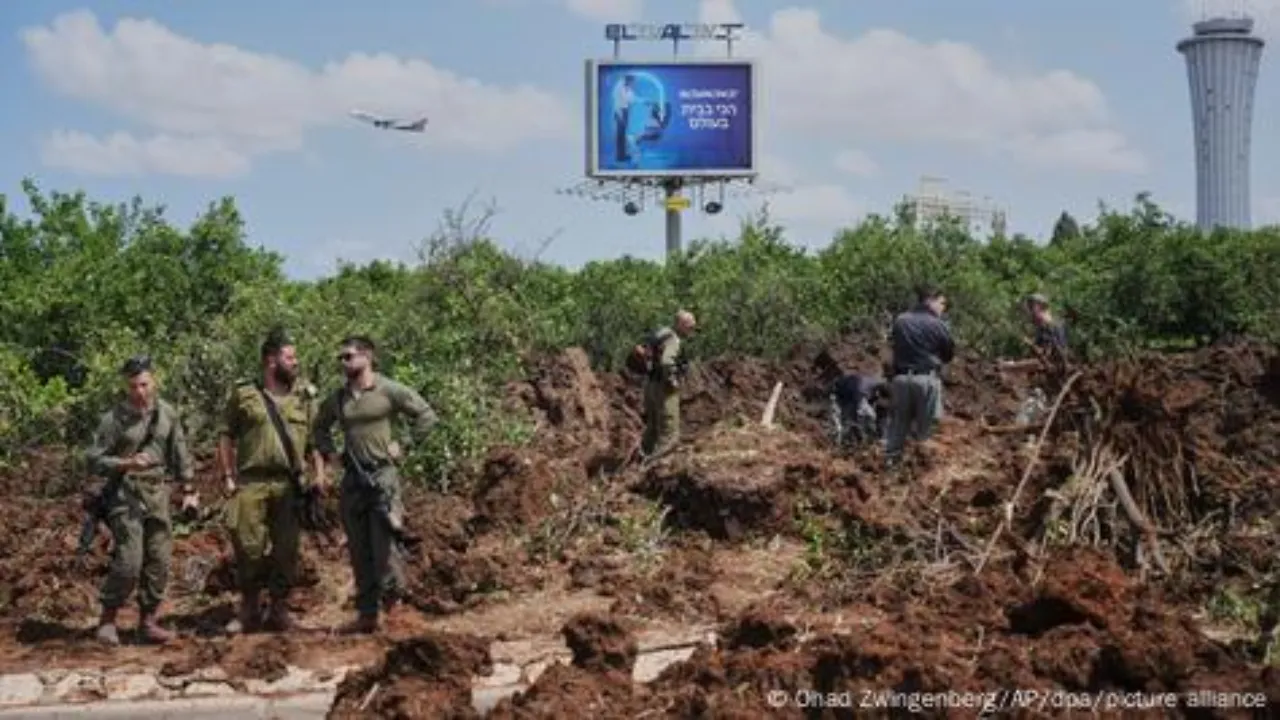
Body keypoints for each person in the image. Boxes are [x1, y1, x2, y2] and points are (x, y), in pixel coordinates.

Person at [311, 336, 438, 635]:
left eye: (349, 356)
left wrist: (405, 444)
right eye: (341, 358)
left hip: (382, 477)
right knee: (358, 548)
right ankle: (367, 614)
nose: (344, 363)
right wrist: (330, 453)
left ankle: (395, 612)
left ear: (367, 356)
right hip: (353, 480)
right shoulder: (339, 398)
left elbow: (426, 415)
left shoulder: (388, 389)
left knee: (385, 547)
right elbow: (318, 427)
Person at [84, 355, 194, 646]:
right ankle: (108, 620)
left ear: (154, 381)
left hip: (157, 492)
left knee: (159, 559)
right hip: (125, 492)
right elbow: (93, 459)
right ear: (126, 386)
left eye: (144, 385)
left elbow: (180, 451)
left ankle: (148, 622)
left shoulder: (167, 414)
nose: (139, 391)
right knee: (130, 560)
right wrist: (126, 463)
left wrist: (188, 487)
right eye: (133, 386)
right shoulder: (114, 419)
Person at [217, 328, 316, 634]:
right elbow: (225, 435)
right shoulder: (244, 394)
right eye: (290, 357)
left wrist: (318, 476)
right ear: (271, 360)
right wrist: (228, 476)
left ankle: (279, 609)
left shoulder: (303, 398)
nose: (295, 362)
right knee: (248, 548)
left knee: (287, 549)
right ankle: (249, 607)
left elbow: (314, 442)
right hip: (251, 482)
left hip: (288, 485)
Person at [885, 286, 955, 468]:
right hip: (926, 380)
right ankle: (922, 472)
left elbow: (893, 347)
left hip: (901, 380)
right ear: (930, 300)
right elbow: (948, 354)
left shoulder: (901, 320)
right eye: (942, 303)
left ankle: (890, 466)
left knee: (897, 426)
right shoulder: (938, 325)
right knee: (927, 430)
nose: (943, 308)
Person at [999, 293, 1070, 425]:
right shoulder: (1046, 329)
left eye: (1030, 308)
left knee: (1022, 423)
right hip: (1047, 389)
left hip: (1049, 390)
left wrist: (1012, 367)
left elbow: (1044, 363)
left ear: (1038, 307)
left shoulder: (1051, 329)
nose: (1029, 314)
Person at [640, 310, 697, 459]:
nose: (692, 330)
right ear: (680, 324)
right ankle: (658, 464)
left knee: (652, 428)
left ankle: (641, 458)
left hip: (650, 385)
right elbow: (667, 361)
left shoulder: (661, 334)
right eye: (689, 326)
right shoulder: (673, 340)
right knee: (670, 433)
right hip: (664, 388)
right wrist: (672, 380)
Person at [814, 353, 885, 451]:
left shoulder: (870, 384)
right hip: (842, 396)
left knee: (851, 422)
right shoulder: (864, 387)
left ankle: (848, 444)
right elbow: (860, 409)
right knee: (848, 423)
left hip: (846, 395)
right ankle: (840, 446)